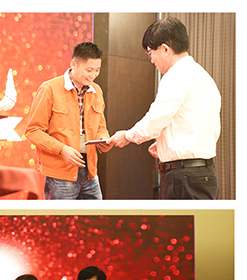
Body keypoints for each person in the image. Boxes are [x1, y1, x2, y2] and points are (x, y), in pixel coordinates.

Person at [108, 18, 221, 200]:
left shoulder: (176, 75)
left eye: (150, 53)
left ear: (165, 49)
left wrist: (127, 136)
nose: (151, 59)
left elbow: (156, 119)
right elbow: (197, 123)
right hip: (204, 174)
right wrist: (165, 142)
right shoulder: (203, 76)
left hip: (184, 178)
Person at [25, 42, 111, 200]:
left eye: (97, 70)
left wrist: (103, 139)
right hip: (60, 174)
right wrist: (62, 149)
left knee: (95, 215)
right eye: (89, 70)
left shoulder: (96, 91)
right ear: (73, 64)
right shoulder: (49, 88)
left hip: (91, 172)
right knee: (62, 216)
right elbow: (33, 131)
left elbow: (101, 126)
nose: (93, 75)